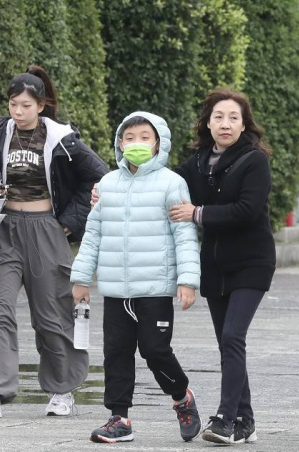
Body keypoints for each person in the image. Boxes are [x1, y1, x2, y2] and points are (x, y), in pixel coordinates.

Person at [0, 65, 108, 418]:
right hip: (5, 231)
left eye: (26, 105)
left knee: (52, 315)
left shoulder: (63, 139)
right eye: (14, 104)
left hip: (47, 230)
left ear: (41, 105)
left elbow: (99, 176)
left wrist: (69, 224)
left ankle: (62, 391)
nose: (19, 111)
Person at [71, 112, 203, 444]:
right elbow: (93, 235)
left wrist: (187, 280)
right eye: (129, 138)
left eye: (145, 137)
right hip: (116, 289)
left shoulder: (171, 183)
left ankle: (181, 398)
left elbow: (184, 235)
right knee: (116, 352)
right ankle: (119, 418)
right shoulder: (107, 185)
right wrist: (81, 278)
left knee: (155, 350)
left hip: (155, 289)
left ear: (159, 143)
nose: (137, 144)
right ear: (119, 143)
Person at [170, 88, 276, 445]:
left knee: (233, 337)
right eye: (218, 117)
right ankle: (246, 420)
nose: (225, 123)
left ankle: (225, 420)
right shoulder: (197, 161)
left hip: (252, 262)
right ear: (208, 122)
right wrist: (112, 189)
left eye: (233, 117)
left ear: (244, 123)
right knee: (229, 344)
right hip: (214, 266)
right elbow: (165, 185)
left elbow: (247, 210)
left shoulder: (254, 160)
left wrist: (197, 213)